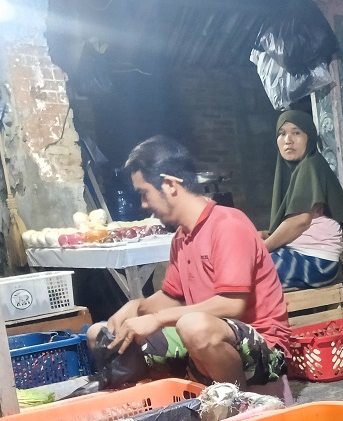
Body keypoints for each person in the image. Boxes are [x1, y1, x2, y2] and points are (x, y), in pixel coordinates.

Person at [87, 135, 291, 389]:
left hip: (264, 347)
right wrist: (137, 307)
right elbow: (173, 296)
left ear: (170, 185)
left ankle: (239, 406)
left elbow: (232, 304)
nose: (144, 205)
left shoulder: (227, 225)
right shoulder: (182, 237)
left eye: (145, 194)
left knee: (194, 326)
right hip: (203, 333)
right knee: (102, 333)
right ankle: (143, 401)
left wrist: (158, 319)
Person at [265, 110, 343, 289]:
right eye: (282, 134)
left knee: (248, 269)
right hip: (301, 254)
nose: (288, 140)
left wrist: (262, 249)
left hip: (317, 262)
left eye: (296, 132)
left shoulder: (310, 165)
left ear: (309, 138)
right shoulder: (293, 171)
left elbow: (300, 221)